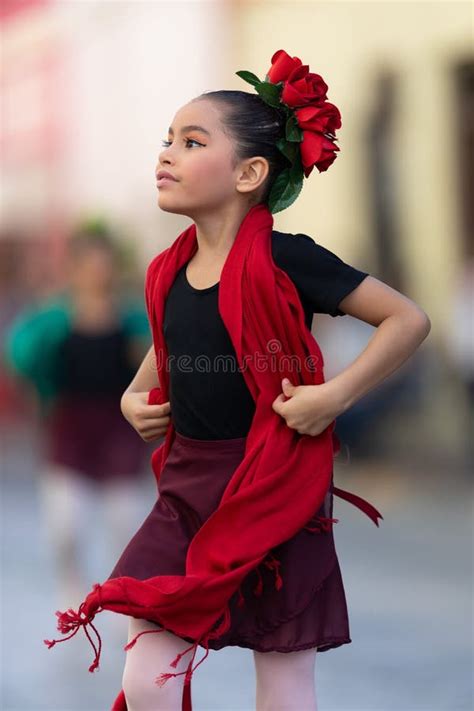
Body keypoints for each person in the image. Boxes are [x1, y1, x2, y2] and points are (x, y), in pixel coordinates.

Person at [43, 49, 431, 711]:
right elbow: (171, 347)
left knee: (283, 685)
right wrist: (133, 394)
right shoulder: (167, 269)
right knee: (146, 679)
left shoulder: (290, 258)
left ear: (251, 172)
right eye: (166, 139)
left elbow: (407, 319)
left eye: (192, 142)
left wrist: (335, 394)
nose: (166, 152)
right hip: (188, 490)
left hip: (275, 485)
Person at [4, 227, 152, 610]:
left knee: (125, 520)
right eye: (88, 265)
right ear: (74, 269)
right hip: (69, 427)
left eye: (103, 265)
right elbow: (20, 353)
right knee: (66, 524)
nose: (96, 273)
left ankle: (122, 594)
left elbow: (158, 362)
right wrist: (39, 390)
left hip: (117, 429)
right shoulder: (53, 317)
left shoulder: (133, 317)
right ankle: (72, 585)